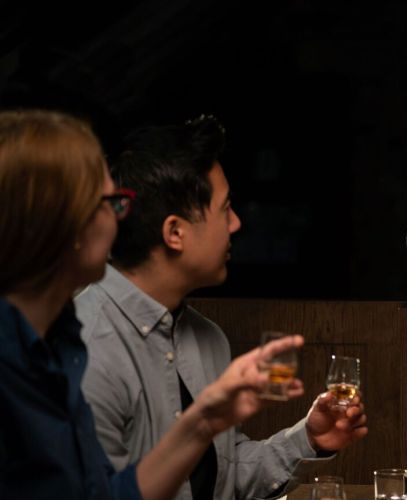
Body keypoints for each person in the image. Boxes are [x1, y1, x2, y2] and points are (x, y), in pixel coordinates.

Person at [0, 109, 302, 499]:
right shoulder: (42, 354)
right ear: (54, 223)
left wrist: (204, 420)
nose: (120, 218)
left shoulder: (62, 340)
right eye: (109, 202)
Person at [74, 116, 369, 500]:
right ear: (174, 232)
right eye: (225, 208)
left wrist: (309, 439)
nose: (236, 223)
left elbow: (225, 476)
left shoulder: (206, 338)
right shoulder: (85, 347)